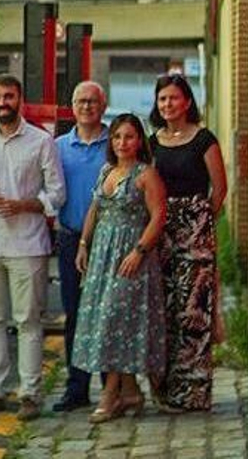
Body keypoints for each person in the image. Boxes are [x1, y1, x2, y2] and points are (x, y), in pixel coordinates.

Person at [0, 74, 65, 421]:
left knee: (28, 321)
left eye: (8, 97)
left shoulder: (41, 141)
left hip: (27, 242)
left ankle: (30, 394)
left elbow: (57, 194)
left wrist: (24, 204)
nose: (2, 103)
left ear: (20, 100)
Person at [72, 113, 167, 423]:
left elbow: (158, 216)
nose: (122, 143)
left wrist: (139, 251)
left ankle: (110, 395)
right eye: (117, 137)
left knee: (115, 322)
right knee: (105, 319)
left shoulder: (146, 174)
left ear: (139, 140)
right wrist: (84, 244)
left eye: (128, 136)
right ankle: (130, 392)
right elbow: (95, 209)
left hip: (131, 257)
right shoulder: (106, 171)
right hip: (102, 255)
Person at [148, 73, 227, 413]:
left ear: (187, 102)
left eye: (173, 98)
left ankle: (194, 394)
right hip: (162, 233)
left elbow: (219, 190)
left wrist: (201, 225)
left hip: (196, 236)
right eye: (162, 99)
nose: (168, 105)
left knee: (194, 313)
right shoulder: (152, 143)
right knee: (164, 311)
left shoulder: (204, 140)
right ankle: (164, 390)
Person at [51, 81, 110, 412]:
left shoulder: (114, 145)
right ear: (72, 107)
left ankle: (109, 386)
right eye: (81, 101)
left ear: (103, 105)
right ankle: (76, 387)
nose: (87, 106)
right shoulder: (58, 146)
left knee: (105, 314)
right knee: (75, 314)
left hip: (109, 240)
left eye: (93, 101)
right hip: (72, 238)